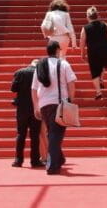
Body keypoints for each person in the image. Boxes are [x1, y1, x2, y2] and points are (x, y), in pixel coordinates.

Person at [32, 40, 77, 175]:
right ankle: (52, 165)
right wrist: (71, 100)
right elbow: (71, 83)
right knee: (56, 133)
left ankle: (59, 158)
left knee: (52, 132)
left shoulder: (40, 65)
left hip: (44, 104)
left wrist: (36, 106)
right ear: (57, 50)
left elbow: (34, 88)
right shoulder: (63, 64)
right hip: (58, 103)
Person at [10, 59, 44, 168]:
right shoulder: (40, 74)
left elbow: (13, 89)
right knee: (35, 136)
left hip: (22, 108)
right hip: (35, 107)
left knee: (21, 134)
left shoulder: (20, 72)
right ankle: (35, 160)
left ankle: (18, 160)